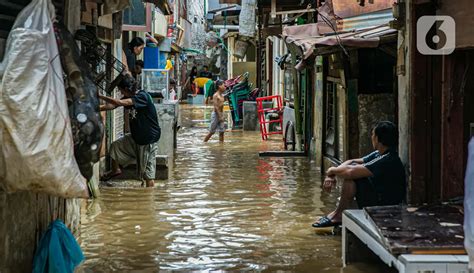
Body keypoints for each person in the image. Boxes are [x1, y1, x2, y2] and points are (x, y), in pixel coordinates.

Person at [312, 121, 406, 228]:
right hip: (379, 197)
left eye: (373, 135)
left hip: (386, 205)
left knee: (352, 178)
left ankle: (338, 215)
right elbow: (352, 162)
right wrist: (331, 174)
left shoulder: (388, 159)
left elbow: (351, 172)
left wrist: (332, 170)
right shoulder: (379, 154)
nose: (371, 137)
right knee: (352, 174)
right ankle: (338, 213)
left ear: (378, 139)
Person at [99, 75, 161, 187]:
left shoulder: (142, 96)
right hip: (135, 138)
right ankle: (115, 170)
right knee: (115, 146)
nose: (121, 93)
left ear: (127, 89)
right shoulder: (130, 97)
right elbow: (112, 105)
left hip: (148, 140)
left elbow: (119, 103)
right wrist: (97, 108)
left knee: (148, 174)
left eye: (121, 90)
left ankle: (149, 198)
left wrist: (100, 96)